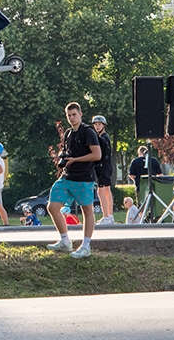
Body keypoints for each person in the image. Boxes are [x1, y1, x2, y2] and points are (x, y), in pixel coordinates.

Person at [46, 102, 101, 259]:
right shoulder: (68, 133)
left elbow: (97, 155)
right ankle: (65, 241)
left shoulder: (88, 131)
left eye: (74, 114)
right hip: (67, 176)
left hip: (84, 178)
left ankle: (86, 246)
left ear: (80, 114)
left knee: (87, 211)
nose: (71, 118)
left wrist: (75, 160)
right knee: (52, 207)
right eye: (68, 115)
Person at [91, 115, 115, 225]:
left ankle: (106, 216)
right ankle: (110, 215)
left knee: (101, 192)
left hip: (102, 168)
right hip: (107, 167)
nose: (97, 126)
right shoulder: (105, 137)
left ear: (103, 126)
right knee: (106, 191)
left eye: (99, 125)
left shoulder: (102, 138)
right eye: (95, 125)